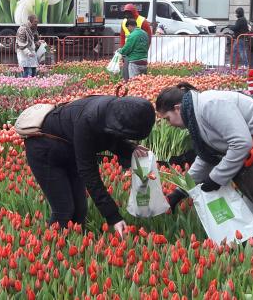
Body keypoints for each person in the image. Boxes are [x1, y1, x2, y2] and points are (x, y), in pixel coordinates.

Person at [156, 83, 253, 269]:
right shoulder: (196, 114)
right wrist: (180, 192)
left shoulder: (210, 104)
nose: (169, 125)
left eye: (167, 118)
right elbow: (206, 157)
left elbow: (241, 143)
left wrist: (216, 178)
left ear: (177, 108)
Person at [23, 96, 155, 234]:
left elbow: (108, 138)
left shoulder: (113, 112)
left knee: (80, 210)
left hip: (69, 150)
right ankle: (51, 249)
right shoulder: (89, 120)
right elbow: (88, 172)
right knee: (64, 210)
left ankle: (74, 248)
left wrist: (131, 149)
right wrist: (113, 216)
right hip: (44, 152)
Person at [119, 4, 152, 80]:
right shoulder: (124, 22)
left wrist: (122, 51)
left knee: (132, 79)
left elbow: (149, 38)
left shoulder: (143, 21)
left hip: (134, 54)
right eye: (125, 13)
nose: (127, 15)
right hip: (132, 53)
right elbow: (122, 36)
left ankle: (131, 88)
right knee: (128, 73)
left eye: (129, 13)